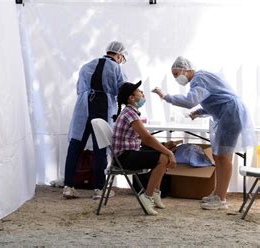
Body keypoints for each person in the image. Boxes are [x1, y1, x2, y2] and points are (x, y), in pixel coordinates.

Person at [152, 56, 257, 210]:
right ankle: (217, 193)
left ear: (185, 69)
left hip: (231, 114)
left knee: (224, 157)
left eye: (176, 74)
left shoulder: (200, 79)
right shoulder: (202, 78)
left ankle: (221, 199)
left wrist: (165, 96)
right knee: (217, 156)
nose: (176, 78)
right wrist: (200, 112)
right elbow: (217, 98)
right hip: (227, 113)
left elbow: (190, 101)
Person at [63, 41, 128, 200]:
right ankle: (99, 189)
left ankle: (68, 186)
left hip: (83, 107)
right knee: (101, 148)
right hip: (102, 107)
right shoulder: (116, 68)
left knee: (75, 146)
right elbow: (124, 91)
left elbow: (79, 88)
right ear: (119, 56)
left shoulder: (86, 65)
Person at [113, 81, 176, 215]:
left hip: (127, 154)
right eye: (139, 92)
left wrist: (163, 147)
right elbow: (147, 138)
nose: (142, 93)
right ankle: (147, 197)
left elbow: (144, 139)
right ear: (131, 98)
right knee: (164, 157)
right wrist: (168, 152)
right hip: (124, 157)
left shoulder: (131, 112)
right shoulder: (130, 114)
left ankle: (154, 193)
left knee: (162, 154)